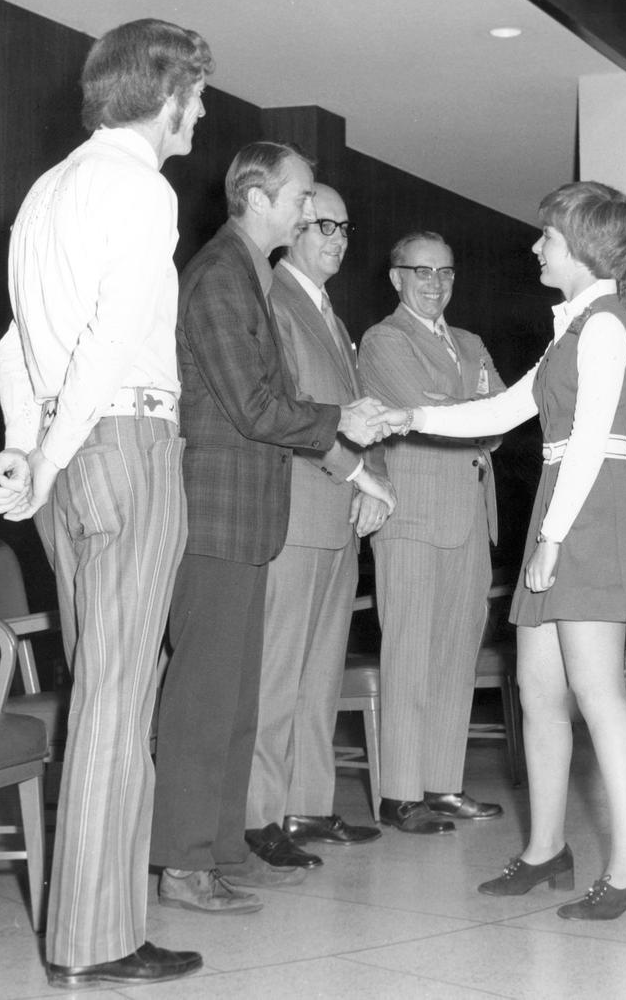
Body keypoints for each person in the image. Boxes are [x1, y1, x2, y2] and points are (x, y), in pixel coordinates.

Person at [0, 19, 213, 988]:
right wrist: (51, 446)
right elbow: (113, 339)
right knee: (119, 699)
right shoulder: (139, 188)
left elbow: (11, 349)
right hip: (126, 444)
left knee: (107, 687)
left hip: (72, 460)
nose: (197, 113)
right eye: (194, 96)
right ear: (167, 96)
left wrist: (28, 452)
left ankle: (110, 920)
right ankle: (89, 940)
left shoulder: (47, 192)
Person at [379, 181, 626, 920]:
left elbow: (593, 445)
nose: (536, 246)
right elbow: (505, 409)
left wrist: (550, 540)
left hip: (588, 513)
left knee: (599, 696)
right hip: (563, 503)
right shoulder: (570, 331)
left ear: (579, 244)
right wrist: (403, 415)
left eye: (547, 236)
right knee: (539, 694)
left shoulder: (604, 327)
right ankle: (546, 849)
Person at [150, 144, 395, 913]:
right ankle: (184, 864)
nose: (306, 207)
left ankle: (224, 851)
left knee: (236, 702)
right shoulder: (221, 276)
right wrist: (339, 419)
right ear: (257, 199)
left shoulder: (248, 275)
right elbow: (254, 406)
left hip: (250, 518)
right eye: (298, 196)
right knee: (202, 703)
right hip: (218, 518)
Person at [243, 184, 386, 869]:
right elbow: (290, 408)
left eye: (344, 226)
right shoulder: (274, 299)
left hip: (339, 513)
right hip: (298, 507)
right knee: (278, 673)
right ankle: (259, 817)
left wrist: (372, 478)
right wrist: (359, 474)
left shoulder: (327, 309)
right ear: (291, 228)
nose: (336, 237)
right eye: (322, 224)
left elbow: (354, 407)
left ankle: (307, 805)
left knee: (320, 673)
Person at [358, 232, 506, 834]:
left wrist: (466, 411)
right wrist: (465, 408)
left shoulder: (470, 341)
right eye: (420, 270)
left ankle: (443, 785)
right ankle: (399, 794)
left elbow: (498, 418)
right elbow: (427, 413)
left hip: (470, 513)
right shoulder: (383, 339)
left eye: (445, 271)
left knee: (456, 655)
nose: (434, 282)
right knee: (410, 653)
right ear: (396, 278)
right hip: (413, 516)